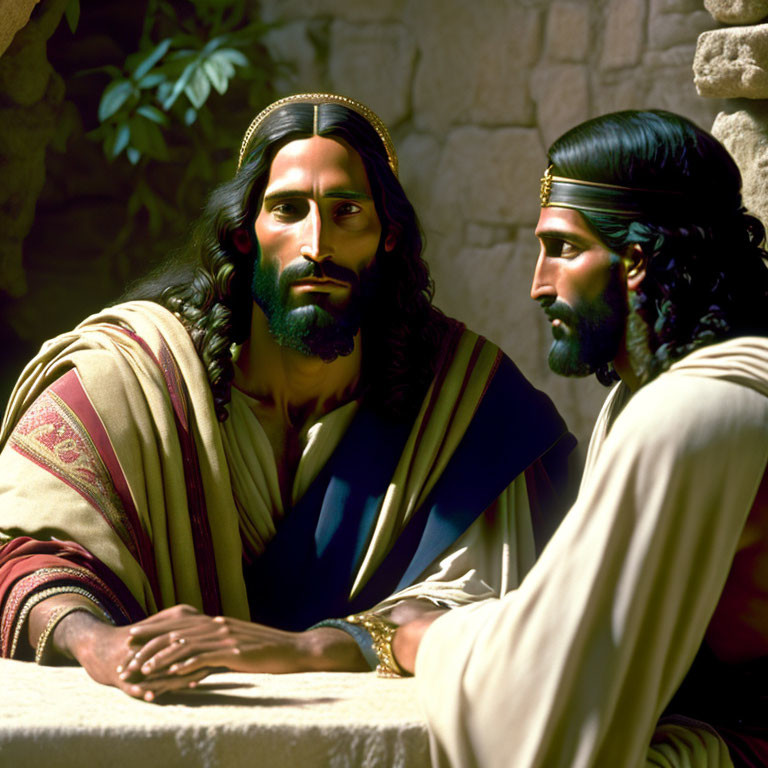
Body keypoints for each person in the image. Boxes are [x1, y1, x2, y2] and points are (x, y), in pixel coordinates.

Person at [0, 93, 574, 702]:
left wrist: (318, 647)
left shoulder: (464, 405)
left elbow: (492, 609)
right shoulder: (132, 378)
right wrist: (100, 643)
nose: (316, 245)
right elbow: (22, 551)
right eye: (288, 210)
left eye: (346, 210)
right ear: (246, 233)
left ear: (387, 236)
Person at [392, 110, 768, 767]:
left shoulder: (694, 413)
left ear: (635, 261)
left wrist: (421, 638)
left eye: (563, 249)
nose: (539, 285)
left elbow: (546, 686)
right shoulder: (644, 401)